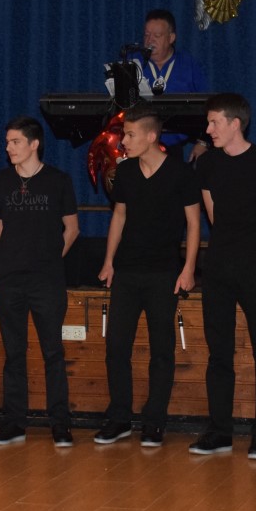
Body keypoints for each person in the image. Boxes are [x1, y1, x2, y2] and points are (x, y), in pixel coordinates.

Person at [95, 105, 200, 446]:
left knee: (161, 350)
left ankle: (154, 421)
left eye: (130, 135)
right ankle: (119, 418)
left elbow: (194, 223)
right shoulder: (125, 172)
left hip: (163, 272)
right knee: (116, 347)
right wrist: (109, 261)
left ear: (151, 136)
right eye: (124, 135)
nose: (123, 141)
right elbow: (119, 216)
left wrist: (188, 267)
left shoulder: (180, 173)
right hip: (127, 271)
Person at [193, 93, 256, 459]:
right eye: (208, 122)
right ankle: (219, 431)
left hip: (254, 268)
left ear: (236, 124)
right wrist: (230, 250)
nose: (208, 129)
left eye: (214, 122)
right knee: (219, 352)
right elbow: (214, 216)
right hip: (218, 267)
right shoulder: (207, 164)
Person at [0, 116, 80, 447]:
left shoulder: (57, 180)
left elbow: (72, 228)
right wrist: (17, 254)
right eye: (7, 142)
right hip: (10, 280)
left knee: (53, 351)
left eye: (15, 142)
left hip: (47, 281)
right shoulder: (1, 181)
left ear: (34, 144)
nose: (9, 148)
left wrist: (51, 257)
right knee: (14, 353)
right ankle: (14, 423)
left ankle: (60, 424)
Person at [138, 9, 209, 161]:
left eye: (157, 36)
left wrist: (203, 142)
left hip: (173, 149)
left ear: (171, 38)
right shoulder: (134, 63)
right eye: (147, 35)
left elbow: (209, 107)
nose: (150, 41)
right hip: (138, 146)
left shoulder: (189, 65)